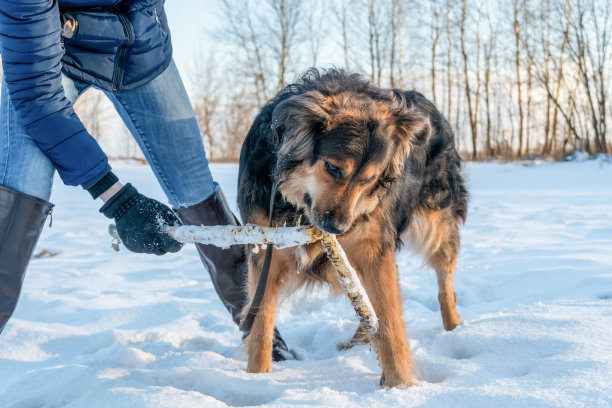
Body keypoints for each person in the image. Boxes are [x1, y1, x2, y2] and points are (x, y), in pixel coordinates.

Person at [0, 0, 293, 361]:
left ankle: (259, 328)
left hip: (141, 51)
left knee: (194, 185)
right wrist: (118, 200)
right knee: (20, 186)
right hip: (48, 55)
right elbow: (36, 92)